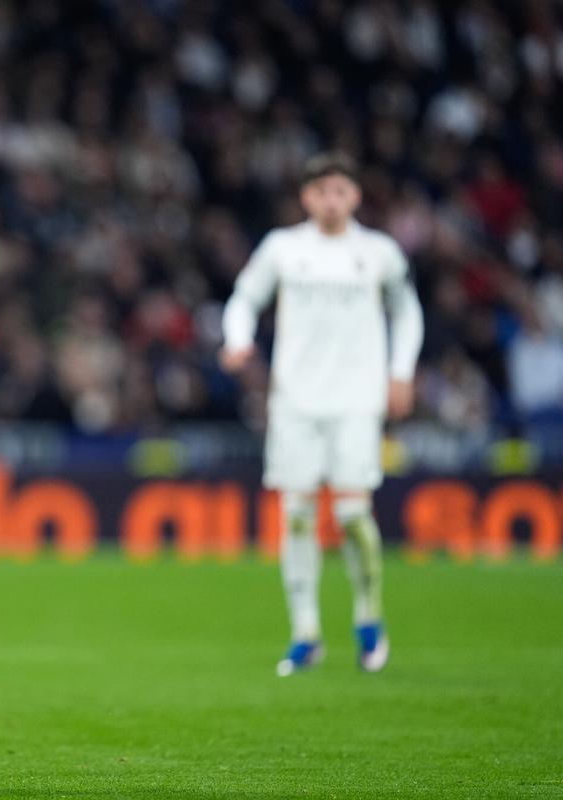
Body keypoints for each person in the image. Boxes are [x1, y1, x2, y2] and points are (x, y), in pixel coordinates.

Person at [220, 152, 423, 677]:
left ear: (354, 196)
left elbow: (407, 312)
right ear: (306, 197)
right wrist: (237, 341)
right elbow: (244, 298)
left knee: (353, 514)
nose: (330, 200)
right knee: (298, 515)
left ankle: (368, 618)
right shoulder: (284, 248)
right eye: (320, 191)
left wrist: (400, 372)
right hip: (295, 403)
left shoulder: (378, 252)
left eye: (340, 191)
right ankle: (305, 632)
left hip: (357, 400)